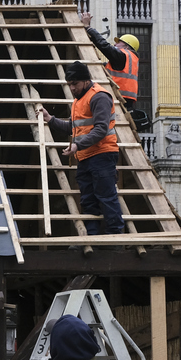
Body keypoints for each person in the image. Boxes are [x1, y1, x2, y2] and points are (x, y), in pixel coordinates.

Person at [40, 62, 125, 235]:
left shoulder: (99, 96)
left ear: (86, 80)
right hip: (86, 156)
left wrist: (77, 145)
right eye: (69, 84)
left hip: (102, 154)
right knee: (88, 200)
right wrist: (50, 119)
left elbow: (101, 129)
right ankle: (91, 236)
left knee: (106, 197)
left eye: (75, 84)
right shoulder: (79, 101)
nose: (72, 88)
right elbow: (73, 127)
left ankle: (115, 238)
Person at [80, 12, 140, 109]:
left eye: (119, 43)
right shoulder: (130, 59)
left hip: (119, 99)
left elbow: (104, 46)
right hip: (126, 100)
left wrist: (88, 28)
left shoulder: (123, 56)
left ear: (126, 46)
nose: (115, 45)